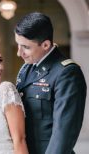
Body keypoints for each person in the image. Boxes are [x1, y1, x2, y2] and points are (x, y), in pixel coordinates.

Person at [14, 12, 87, 154]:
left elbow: (63, 134)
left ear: (46, 44)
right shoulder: (26, 68)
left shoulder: (67, 73)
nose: (19, 53)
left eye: (26, 47)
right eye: (18, 45)